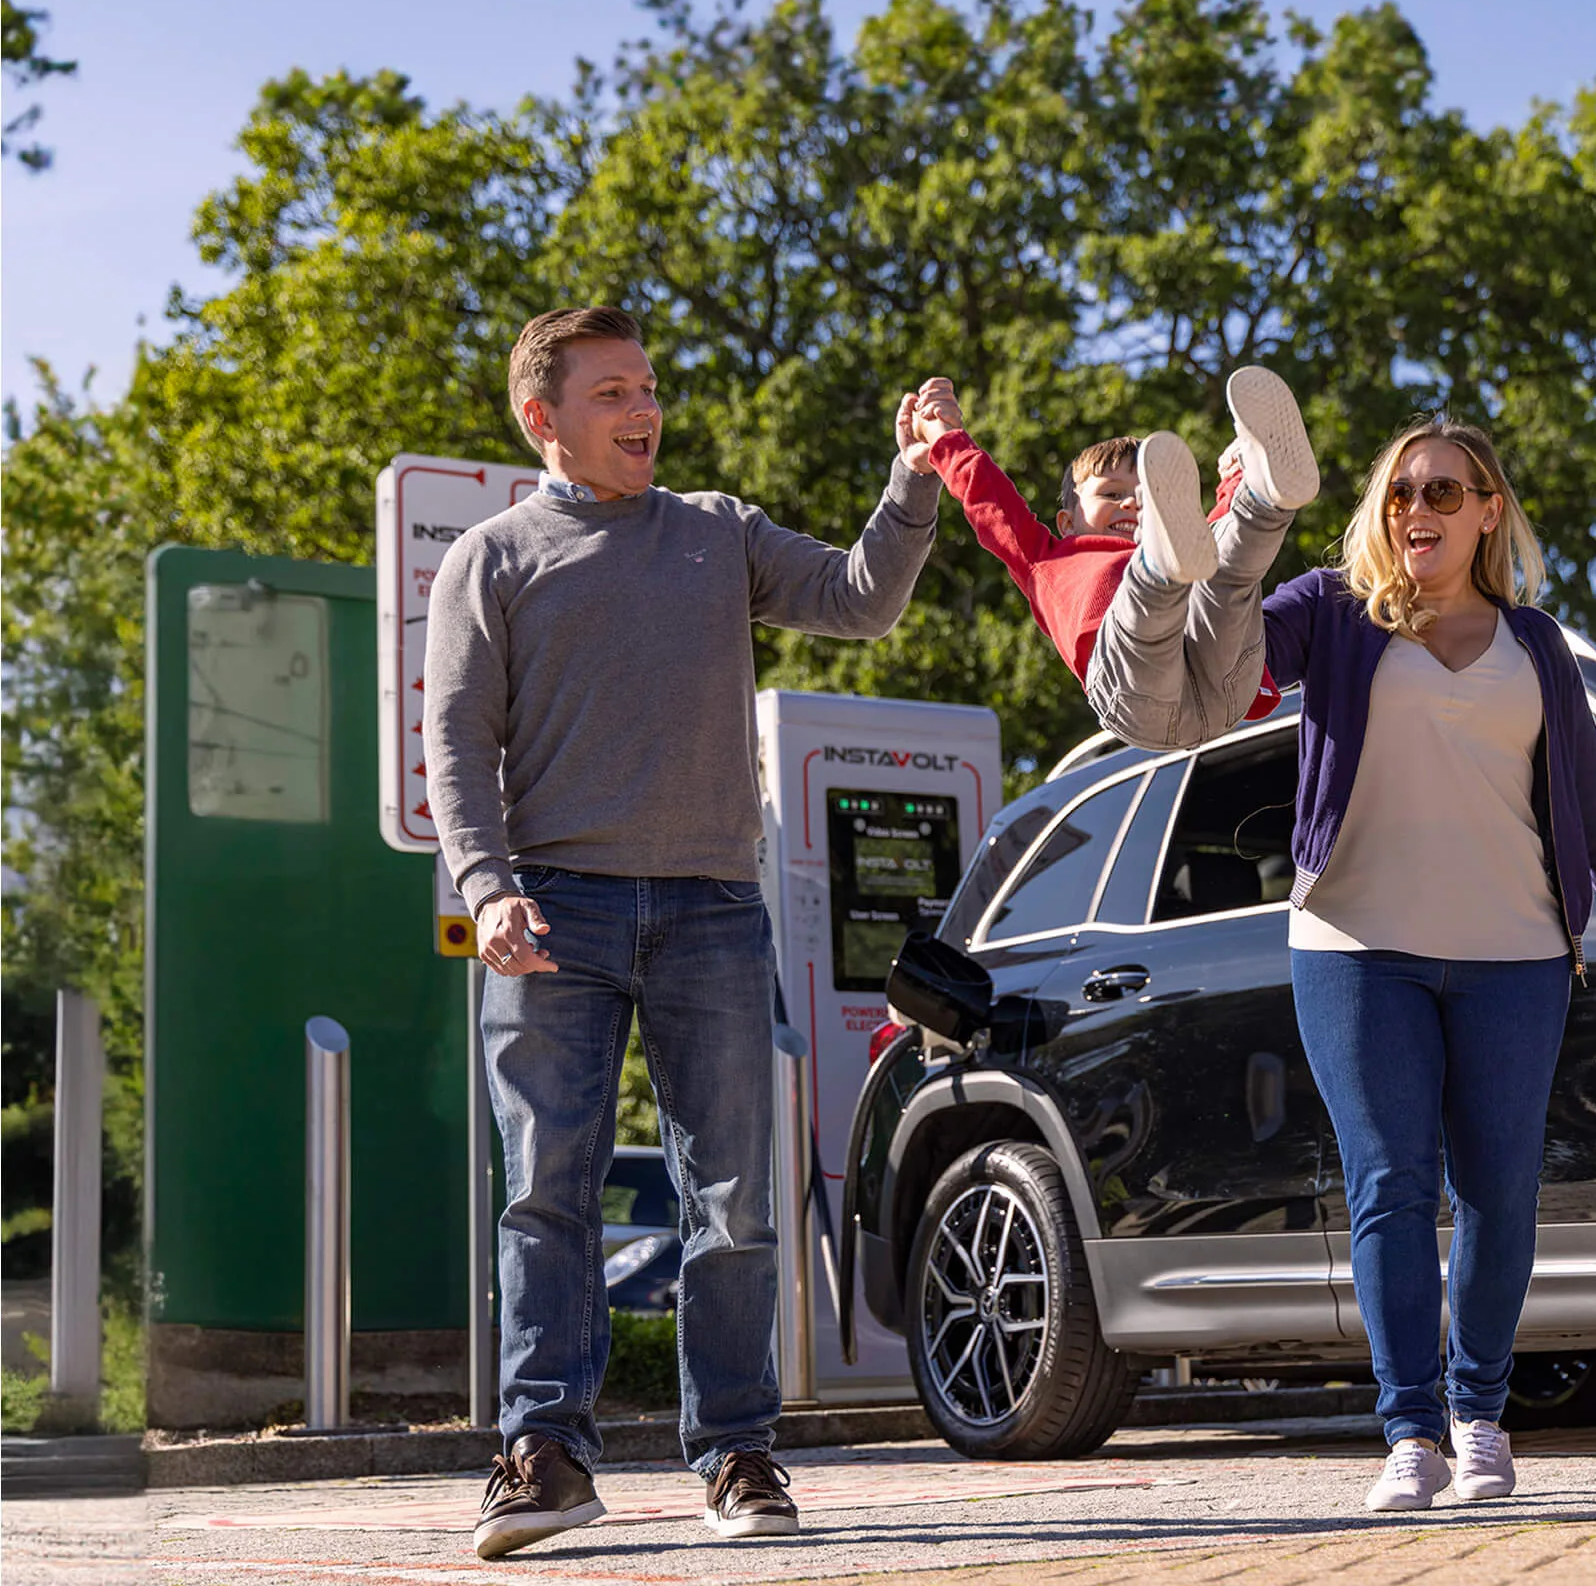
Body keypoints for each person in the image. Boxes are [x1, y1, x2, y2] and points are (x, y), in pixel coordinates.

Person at [424, 306, 940, 1559]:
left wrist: (913, 482)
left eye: (649, 386)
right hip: (554, 907)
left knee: (735, 1204)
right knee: (547, 1194)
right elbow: (454, 743)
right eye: (612, 392)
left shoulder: (718, 531)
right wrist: (487, 886)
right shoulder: (489, 559)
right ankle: (542, 1453)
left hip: (713, 906)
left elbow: (861, 601)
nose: (644, 408)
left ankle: (737, 1454)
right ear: (542, 419)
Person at [1251, 415, 1596, 1512]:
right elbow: (1231, 655)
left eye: (1446, 492)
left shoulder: (1535, 643)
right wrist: (1238, 521)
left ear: (1489, 510)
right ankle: (1409, 1431)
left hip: (1514, 953)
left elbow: (1592, 794)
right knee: (1390, 1187)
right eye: (1403, 491)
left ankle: (1481, 1416)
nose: (1419, 511)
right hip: (1358, 946)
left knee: (1499, 1194)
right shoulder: (1331, 614)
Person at [906, 366, 1316, 750]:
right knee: (1147, 606)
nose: (1131, 503)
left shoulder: (1189, 546)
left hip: (1227, 683)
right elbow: (987, 495)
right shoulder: (1043, 557)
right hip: (1137, 694)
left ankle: (1268, 498)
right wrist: (946, 437)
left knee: (1226, 572)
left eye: (1146, 494)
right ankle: (1160, 566)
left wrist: (1237, 477)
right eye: (1111, 493)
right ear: (1067, 522)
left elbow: (1220, 536)